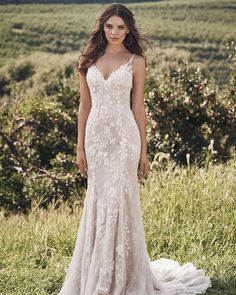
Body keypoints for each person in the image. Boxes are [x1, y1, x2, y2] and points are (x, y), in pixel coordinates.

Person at [58, 3, 212, 295]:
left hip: (124, 139)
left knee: (119, 201)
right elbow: (84, 106)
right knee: (99, 201)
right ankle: (96, 270)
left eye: (121, 27)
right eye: (110, 26)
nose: (115, 32)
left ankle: (120, 275)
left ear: (128, 30)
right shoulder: (88, 59)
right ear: (102, 27)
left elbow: (138, 107)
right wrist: (79, 147)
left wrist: (143, 151)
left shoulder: (136, 61)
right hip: (96, 140)